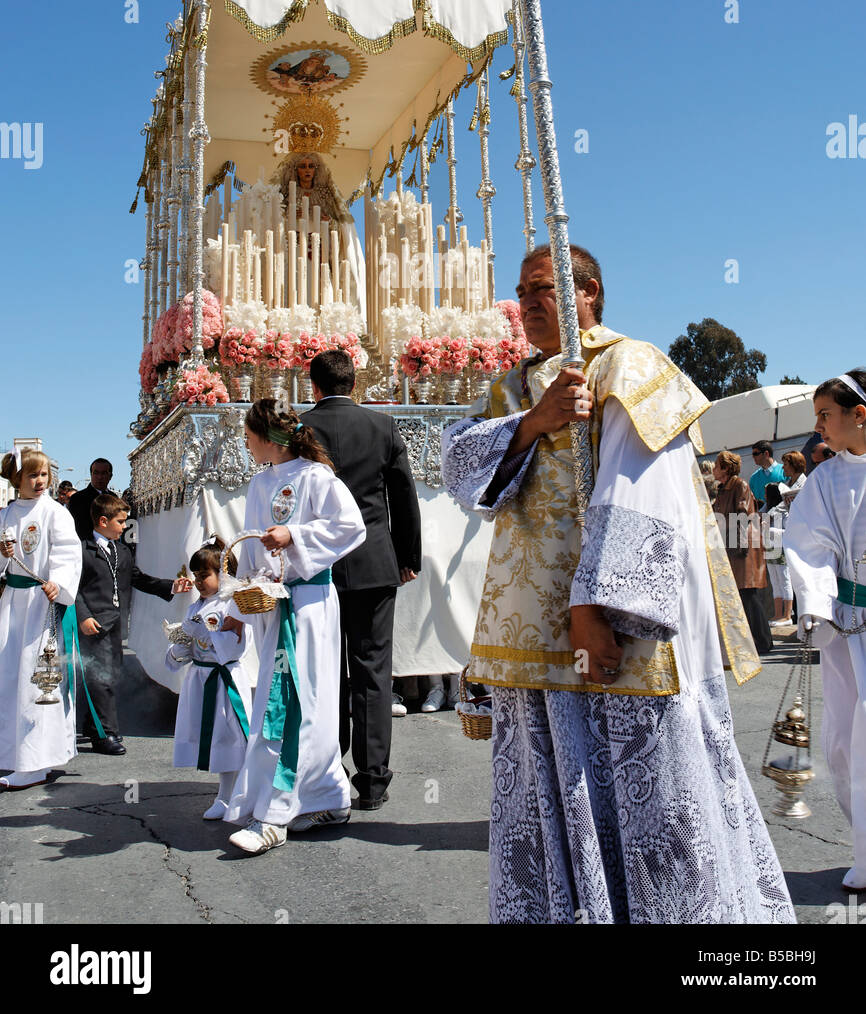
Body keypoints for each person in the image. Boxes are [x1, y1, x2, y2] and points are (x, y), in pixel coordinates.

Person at [442, 243, 794, 924]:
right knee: (544, 795)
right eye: (522, 291)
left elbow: (644, 491)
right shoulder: (514, 388)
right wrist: (532, 423)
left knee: (649, 792)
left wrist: (594, 605)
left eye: (544, 289)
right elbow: (461, 469)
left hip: (612, 626)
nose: (528, 305)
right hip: (527, 632)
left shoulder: (629, 365)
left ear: (589, 293)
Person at [225, 398, 366, 855]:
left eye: (249, 436)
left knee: (294, 703)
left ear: (269, 438)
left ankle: (275, 815)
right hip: (269, 604)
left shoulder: (315, 477)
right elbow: (249, 550)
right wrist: (241, 604)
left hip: (307, 605)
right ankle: (326, 795)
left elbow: (351, 527)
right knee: (285, 698)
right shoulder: (259, 482)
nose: (245, 444)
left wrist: (296, 536)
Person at [301, 350, 421, 810]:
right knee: (372, 671)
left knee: (324, 669)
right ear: (355, 383)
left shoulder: (300, 428)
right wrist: (407, 556)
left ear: (313, 386)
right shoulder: (382, 426)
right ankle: (372, 782)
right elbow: (402, 494)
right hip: (373, 562)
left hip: (317, 566)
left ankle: (326, 771)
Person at [784, 368, 866, 894]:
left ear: (859, 415)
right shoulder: (826, 480)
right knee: (844, 743)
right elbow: (807, 543)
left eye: (825, 415)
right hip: (851, 629)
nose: (818, 429)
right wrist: (814, 602)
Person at [76, 493, 191, 755]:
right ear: (103, 521)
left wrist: (170, 585)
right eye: (120, 522)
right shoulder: (83, 550)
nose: (124, 527)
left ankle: (93, 724)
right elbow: (74, 588)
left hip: (115, 623)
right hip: (93, 623)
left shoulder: (122, 551)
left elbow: (138, 579)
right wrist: (83, 616)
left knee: (110, 674)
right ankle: (106, 733)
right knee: (100, 677)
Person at [0, 448, 82, 790]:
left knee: (36, 681)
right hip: (10, 605)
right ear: (17, 479)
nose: (40, 482)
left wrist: (58, 583)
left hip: (39, 606)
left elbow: (67, 551)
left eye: (44, 475)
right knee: (9, 678)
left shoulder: (55, 512)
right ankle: (12, 754)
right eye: (33, 475)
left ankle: (36, 761)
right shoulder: (5, 514)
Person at [165, 537, 254, 820]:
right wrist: (179, 646)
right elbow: (190, 649)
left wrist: (205, 634)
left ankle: (231, 796)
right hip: (201, 678)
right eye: (196, 576)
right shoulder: (195, 606)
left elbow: (236, 646)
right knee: (214, 737)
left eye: (205, 575)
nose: (199, 582)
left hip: (224, 680)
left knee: (230, 737)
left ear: (222, 575)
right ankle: (227, 794)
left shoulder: (234, 605)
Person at [272, 151, 365, 321]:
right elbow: (276, 224)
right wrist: (289, 216)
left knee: (321, 287)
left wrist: (327, 220)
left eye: (311, 166)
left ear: (316, 169)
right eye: (302, 166)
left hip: (321, 252)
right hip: (296, 248)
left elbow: (340, 226)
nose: (307, 170)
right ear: (295, 170)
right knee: (297, 284)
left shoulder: (326, 195)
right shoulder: (286, 195)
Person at [712, 450, 773, 655]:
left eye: (717, 465)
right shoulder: (723, 489)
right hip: (733, 545)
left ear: (726, 468)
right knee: (741, 594)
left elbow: (743, 515)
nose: (713, 469)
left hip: (742, 545)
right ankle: (752, 640)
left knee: (748, 594)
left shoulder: (739, 484)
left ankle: (763, 641)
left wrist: (739, 544)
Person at [763, 450, 806, 627]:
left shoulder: (806, 483)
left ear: (794, 464)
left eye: (786, 464)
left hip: (796, 535)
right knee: (777, 576)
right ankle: (780, 613)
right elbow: (776, 507)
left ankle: (788, 614)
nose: (784, 468)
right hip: (779, 534)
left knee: (787, 576)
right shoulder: (786, 484)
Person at [68, 458, 113, 541]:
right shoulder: (78, 498)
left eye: (103, 473)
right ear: (91, 474)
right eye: (96, 473)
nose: (99, 477)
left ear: (110, 476)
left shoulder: (114, 498)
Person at [748, 440, 785, 509]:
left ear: (766, 454)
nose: (753, 457)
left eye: (755, 454)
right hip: (762, 517)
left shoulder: (784, 471)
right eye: (752, 454)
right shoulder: (753, 478)